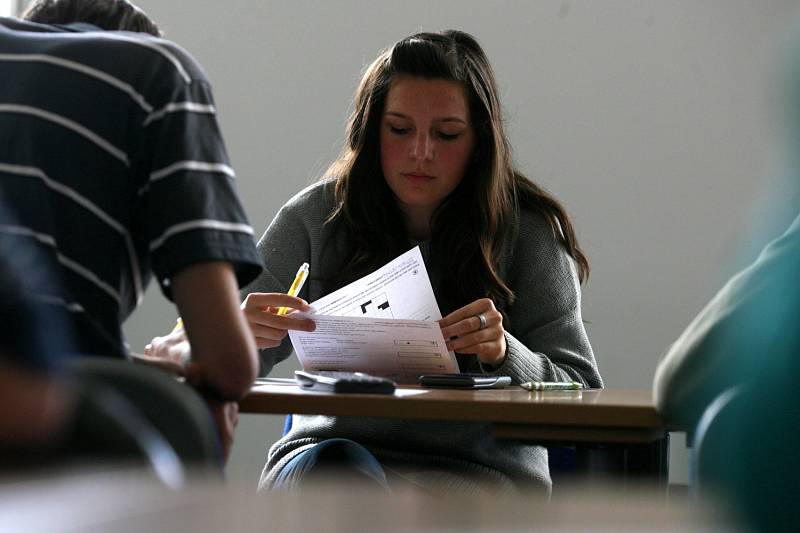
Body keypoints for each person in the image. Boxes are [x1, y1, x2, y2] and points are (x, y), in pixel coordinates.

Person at [236, 30, 601, 494]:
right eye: (399, 129)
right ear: (371, 131)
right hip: (329, 457)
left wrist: (506, 353)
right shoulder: (316, 217)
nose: (421, 152)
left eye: (447, 134)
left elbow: (582, 388)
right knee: (340, 475)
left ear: (479, 141)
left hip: (471, 473)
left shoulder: (529, 233)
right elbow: (208, 355)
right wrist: (239, 333)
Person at [0, 0, 307, 459]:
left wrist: (161, 356)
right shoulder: (157, 73)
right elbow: (228, 367)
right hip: (36, 420)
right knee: (182, 421)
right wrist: (192, 357)